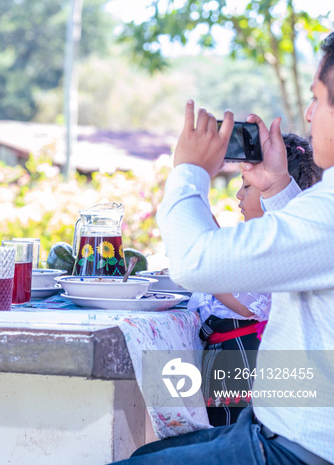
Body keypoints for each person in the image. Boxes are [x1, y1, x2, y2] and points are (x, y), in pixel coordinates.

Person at [114, 31, 334, 464]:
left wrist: (189, 171)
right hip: (274, 425)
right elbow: (310, 252)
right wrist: (277, 188)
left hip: (295, 448)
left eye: (318, 99)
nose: (308, 115)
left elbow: (196, 263)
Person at [191, 133, 323, 427]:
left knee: (229, 430)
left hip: (242, 363)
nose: (239, 195)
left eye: (248, 186)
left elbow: (240, 302)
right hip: (232, 360)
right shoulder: (262, 243)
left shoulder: (276, 253)